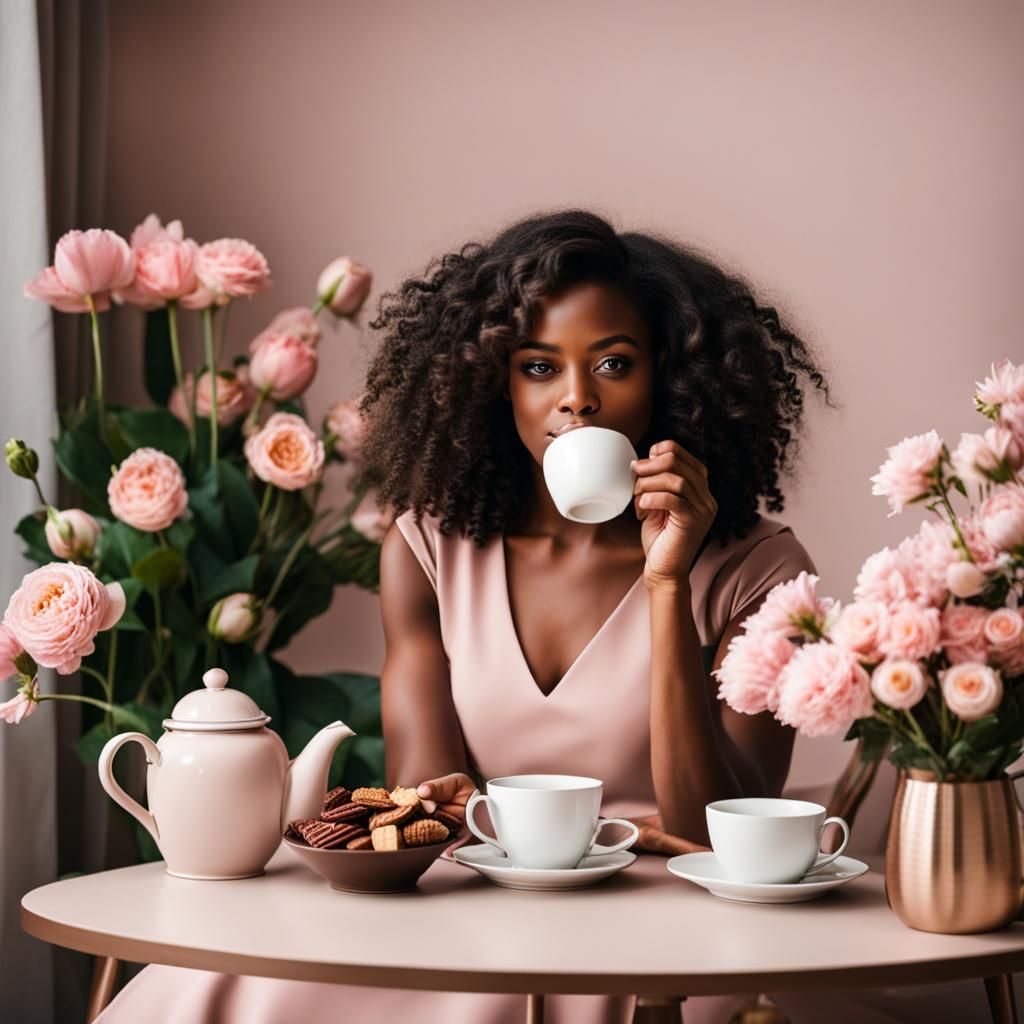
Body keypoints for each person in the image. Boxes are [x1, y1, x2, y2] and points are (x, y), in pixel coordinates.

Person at [96, 209, 960, 1023]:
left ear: (668, 380)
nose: (576, 398)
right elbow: (429, 803)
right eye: (540, 366)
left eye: (614, 363)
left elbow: (712, 838)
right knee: (213, 982)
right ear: (495, 383)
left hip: (681, 937)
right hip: (478, 907)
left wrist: (667, 585)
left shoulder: (758, 570)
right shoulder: (428, 551)